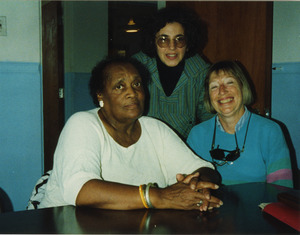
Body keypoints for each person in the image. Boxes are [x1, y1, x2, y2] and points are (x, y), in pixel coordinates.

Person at [38, 57, 223, 211]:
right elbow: (80, 189)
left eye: (137, 84)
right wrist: (159, 196)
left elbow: (204, 169)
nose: (132, 93)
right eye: (120, 86)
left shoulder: (155, 128)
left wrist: (196, 187)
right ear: (100, 95)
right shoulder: (82, 124)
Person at [187, 60, 293, 188]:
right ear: (208, 96)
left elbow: (281, 190)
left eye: (229, 82)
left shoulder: (270, 131)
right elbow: (190, 188)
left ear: (243, 87)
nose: (222, 91)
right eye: (214, 86)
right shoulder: (197, 134)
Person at [133, 7, 213, 140]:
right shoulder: (136, 66)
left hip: (184, 147)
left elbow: (209, 120)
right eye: (163, 39)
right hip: (143, 144)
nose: (172, 47)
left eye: (179, 39)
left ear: (188, 42)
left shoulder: (200, 71)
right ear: (153, 41)